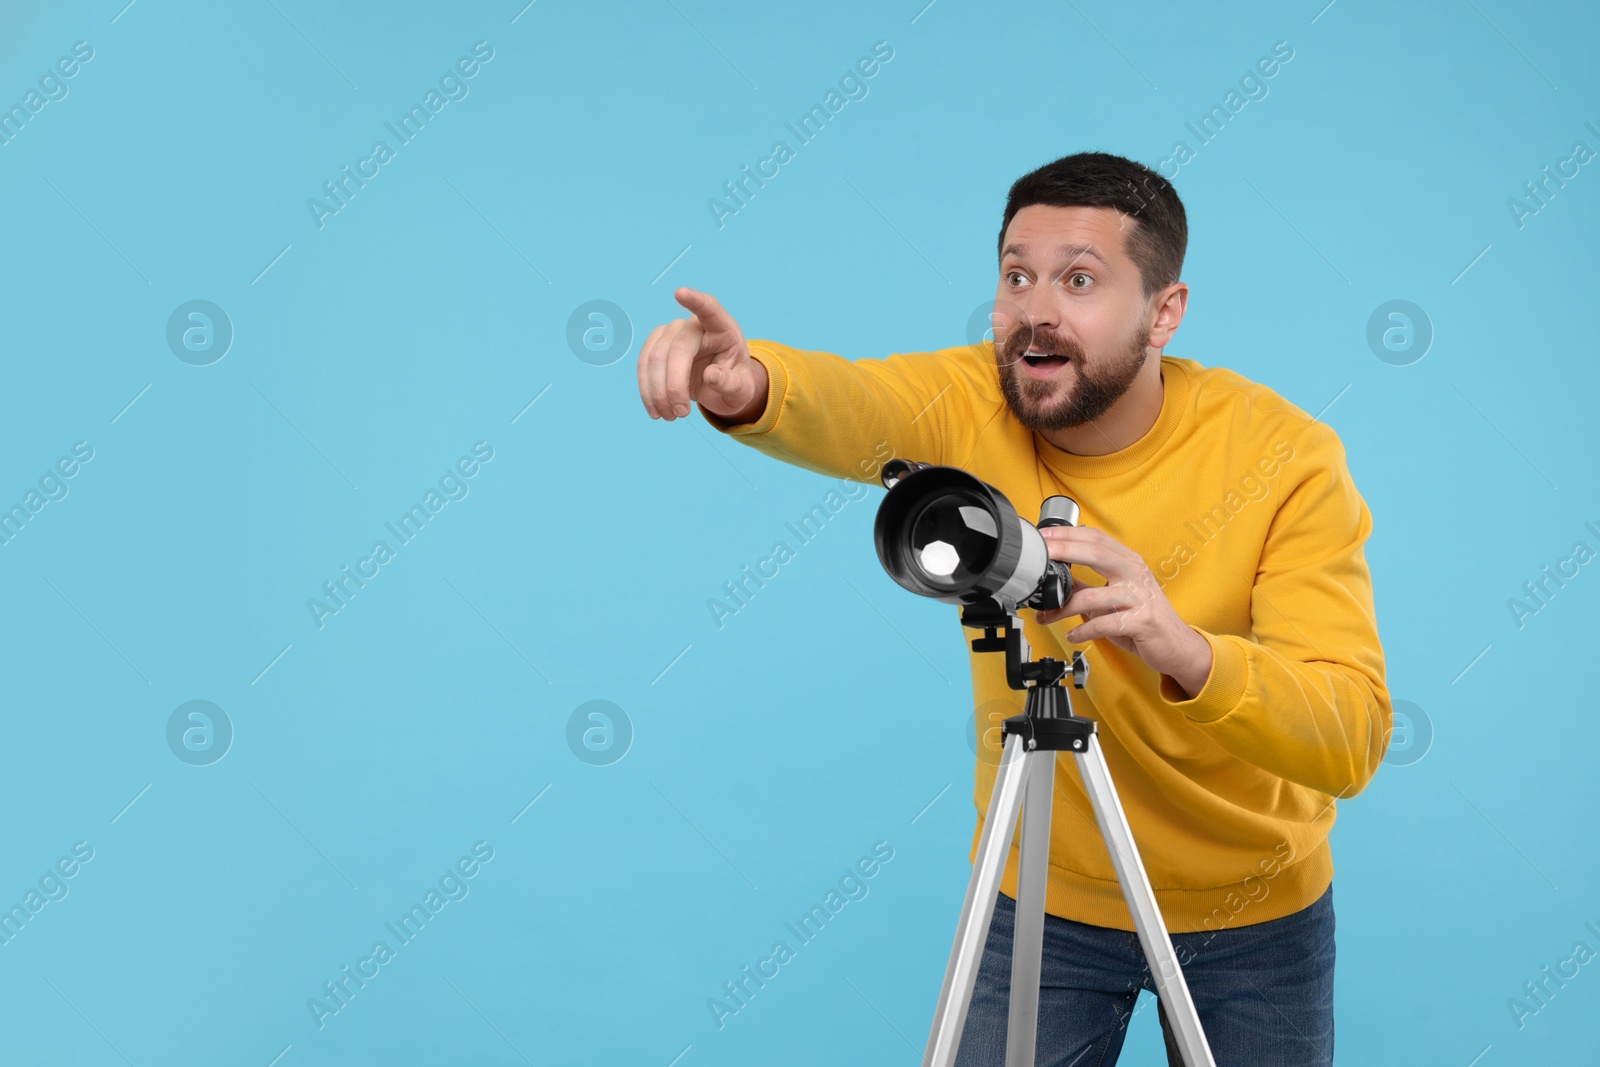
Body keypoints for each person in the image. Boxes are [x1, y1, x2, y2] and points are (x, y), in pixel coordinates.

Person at [635, 151, 1389, 1066]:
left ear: (1164, 312)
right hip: (1046, 900)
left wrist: (1181, 646)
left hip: (1254, 912)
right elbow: (852, 398)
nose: (1037, 307)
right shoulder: (971, 403)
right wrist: (742, 382)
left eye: (1080, 279)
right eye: (1016, 275)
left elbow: (1349, 736)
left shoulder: (1286, 457)